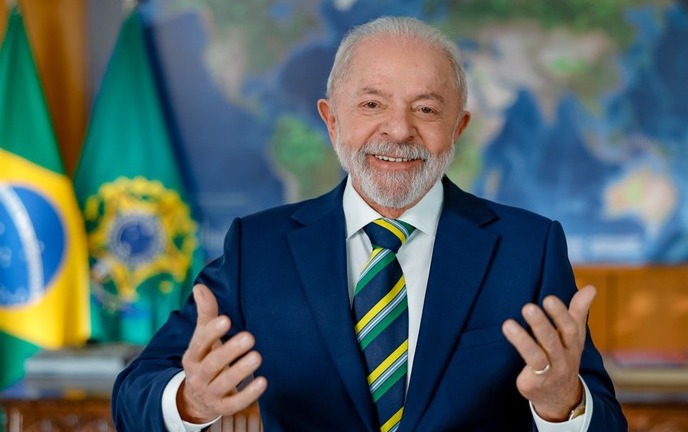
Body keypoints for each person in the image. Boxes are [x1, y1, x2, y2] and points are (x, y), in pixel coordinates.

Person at [112, 16, 627, 431]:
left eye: (426, 109)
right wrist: (193, 400)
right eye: (372, 104)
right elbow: (133, 397)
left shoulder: (528, 249)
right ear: (332, 120)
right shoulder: (259, 249)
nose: (398, 130)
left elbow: (605, 421)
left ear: (458, 128)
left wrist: (562, 405)